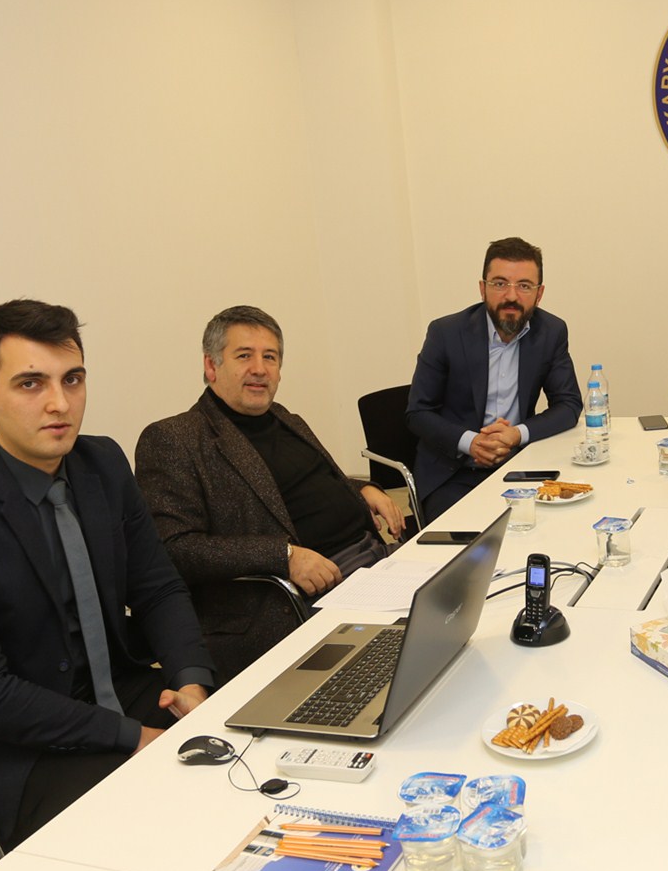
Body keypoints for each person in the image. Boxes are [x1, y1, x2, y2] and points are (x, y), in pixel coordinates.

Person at [0, 300, 212, 849]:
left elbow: (157, 586)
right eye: (31, 384)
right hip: (4, 746)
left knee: (239, 752)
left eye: (72, 379)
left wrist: (191, 681)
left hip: (111, 689)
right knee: (147, 828)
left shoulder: (103, 463)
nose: (60, 403)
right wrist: (133, 738)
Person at [136, 305, 405, 682]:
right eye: (244, 356)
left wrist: (363, 489)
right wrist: (284, 556)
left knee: (460, 612)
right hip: (295, 598)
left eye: (270, 357)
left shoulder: (285, 418)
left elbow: (309, 485)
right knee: (409, 664)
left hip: (377, 560)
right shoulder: (174, 439)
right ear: (211, 366)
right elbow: (176, 549)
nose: (260, 368)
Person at [407, 236, 582, 525]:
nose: (511, 296)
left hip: (519, 465)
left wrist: (516, 434)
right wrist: (472, 442)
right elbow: (417, 413)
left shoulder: (551, 332)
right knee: (466, 542)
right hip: (453, 473)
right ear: (482, 289)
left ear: (539, 294)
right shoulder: (445, 333)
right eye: (500, 283)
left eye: (524, 286)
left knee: (558, 527)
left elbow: (569, 404)